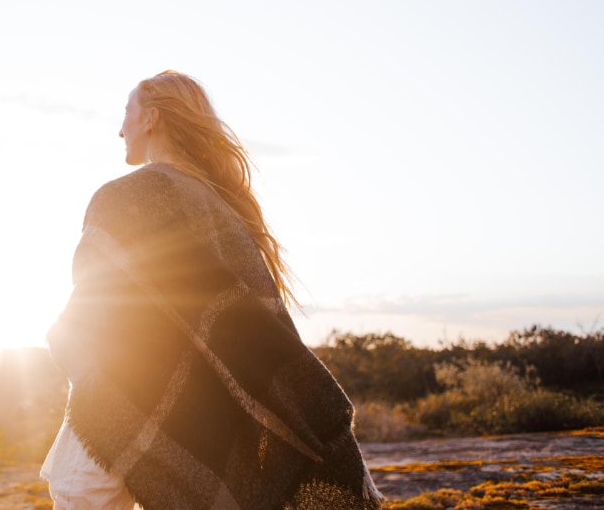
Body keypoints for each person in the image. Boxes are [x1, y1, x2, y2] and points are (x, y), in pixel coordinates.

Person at [41, 71, 383, 509]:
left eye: (126, 113)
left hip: (126, 380)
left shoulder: (122, 198)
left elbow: (94, 299)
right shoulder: (220, 205)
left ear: (152, 119)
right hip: (196, 396)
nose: (120, 127)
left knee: (79, 489)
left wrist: (72, 339)